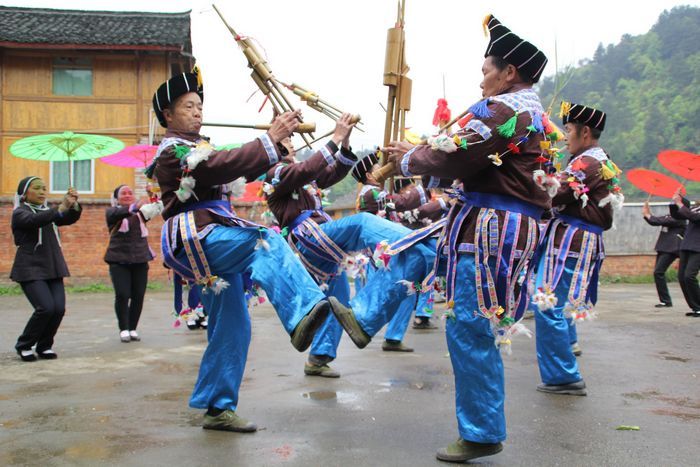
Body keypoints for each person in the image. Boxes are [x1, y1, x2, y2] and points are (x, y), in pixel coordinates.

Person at [383, 15, 551, 462]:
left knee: (470, 325)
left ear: (509, 72)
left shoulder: (507, 109)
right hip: (501, 228)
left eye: (485, 71)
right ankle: (482, 425)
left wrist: (410, 160)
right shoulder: (529, 114)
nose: (481, 82)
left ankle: (481, 431)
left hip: (490, 231)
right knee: (474, 324)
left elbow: (458, 155)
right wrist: (423, 154)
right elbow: (466, 157)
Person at [148, 70, 344, 433]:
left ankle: (217, 407)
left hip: (216, 238)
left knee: (232, 325)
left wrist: (283, 143)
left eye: (199, 106)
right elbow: (218, 166)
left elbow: (239, 166)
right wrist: (269, 139)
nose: (197, 112)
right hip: (196, 237)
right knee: (265, 241)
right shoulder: (173, 152)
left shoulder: (203, 148)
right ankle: (304, 313)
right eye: (188, 106)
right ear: (167, 116)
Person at [263, 127, 437, 378]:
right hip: (310, 237)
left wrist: (344, 142)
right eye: (285, 140)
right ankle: (414, 243)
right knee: (362, 222)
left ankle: (318, 358)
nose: (291, 145)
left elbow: (333, 172)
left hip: (328, 243)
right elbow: (306, 170)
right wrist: (333, 138)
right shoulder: (276, 174)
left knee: (340, 297)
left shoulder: (304, 177)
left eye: (291, 140)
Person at [531, 100, 623, 398]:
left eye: (568, 129)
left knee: (547, 304)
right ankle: (564, 362)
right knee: (555, 303)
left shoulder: (588, 162)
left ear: (585, 132)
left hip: (572, 240)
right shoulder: (591, 160)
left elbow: (556, 191)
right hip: (573, 237)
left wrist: (529, 175)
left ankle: (564, 375)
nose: (564, 135)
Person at [11, 177, 81, 362]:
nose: (42, 192)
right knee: (45, 308)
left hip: (53, 266)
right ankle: (24, 345)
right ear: (25, 194)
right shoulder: (20, 212)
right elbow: (36, 220)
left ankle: (44, 346)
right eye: (37, 188)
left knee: (58, 309)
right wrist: (60, 207)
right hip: (30, 268)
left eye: (44, 188)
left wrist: (72, 204)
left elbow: (66, 218)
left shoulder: (48, 212)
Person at [104, 184, 163, 342]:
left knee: (138, 295)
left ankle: (132, 328)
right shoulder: (112, 212)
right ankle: (123, 328)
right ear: (116, 198)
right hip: (118, 260)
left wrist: (153, 193)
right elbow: (122, 212)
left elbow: (157, 207)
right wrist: (134, 206)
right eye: (124, 193)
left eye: (130, 193)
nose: (128, 195)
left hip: (140, 259)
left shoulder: (141, 213)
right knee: (122, 294)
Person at [642, 201, 686, 308]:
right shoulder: (670, 217)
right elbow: (655, 220)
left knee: (659, 272)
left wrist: (647, 214)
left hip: (672, 248)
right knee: (658, 273)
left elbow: (656, 220)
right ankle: (665, 300)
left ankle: (666, 301)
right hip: (663, 247)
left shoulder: (679, 218)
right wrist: (648, 213)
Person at [670, 189, 700, 317]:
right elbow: (679, 215)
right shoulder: (696, 207)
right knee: (682, 277)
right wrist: (677, 199)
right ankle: (695, 307)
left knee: (689, 276)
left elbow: (694, 217)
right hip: (686, 245)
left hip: (698, 247)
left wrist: (680, 203)